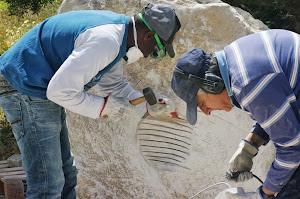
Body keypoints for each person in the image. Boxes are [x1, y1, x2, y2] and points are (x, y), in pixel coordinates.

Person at [0, 3, 181, 198]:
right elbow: (59, 91)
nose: (147, 56)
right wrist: (103, 107)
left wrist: (147, 104)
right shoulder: (106, 41)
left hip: (39, 85)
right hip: (24, 83)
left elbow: (115, 86)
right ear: (148, 36)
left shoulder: (119, 36)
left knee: (67, 175)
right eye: (155, 50)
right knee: (48, 182)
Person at [171, 29, 299, 199]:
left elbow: (291, 149)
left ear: (212, 84)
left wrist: (261, 195)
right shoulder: (237, 62)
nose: (207, 112)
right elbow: (276, 110)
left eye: (202, 103)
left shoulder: (247, 83)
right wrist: (249, 146)